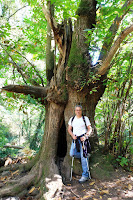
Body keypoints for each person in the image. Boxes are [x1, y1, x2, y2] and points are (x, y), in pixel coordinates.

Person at [68, 105, 92, 183]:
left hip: (83, 140)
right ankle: (85, 155)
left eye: (79, 110)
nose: (78, 111)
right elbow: (69, 129)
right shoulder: (72, 119)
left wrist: (85, 136)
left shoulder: (85, 119)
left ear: (81, 111)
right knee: (72, 154)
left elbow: (90, 129)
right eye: (76, 110)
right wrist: (72, 136)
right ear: (75, 111)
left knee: (83, 157)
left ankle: (85, 175)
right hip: (75, 139)